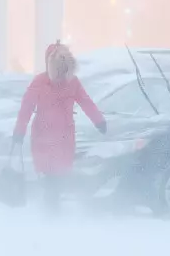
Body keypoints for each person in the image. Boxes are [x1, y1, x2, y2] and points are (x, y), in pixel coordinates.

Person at [12, 43, 107, 210]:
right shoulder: (39, 82)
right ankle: (51, 211)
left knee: (59, 175)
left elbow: (86, 101)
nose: (61, 77)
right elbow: (26, 108)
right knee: (50, 177)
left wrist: (99, 120)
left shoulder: (73, 82)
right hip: (43, 138)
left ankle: (52, 209)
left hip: (64, 138)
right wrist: (19, 131)